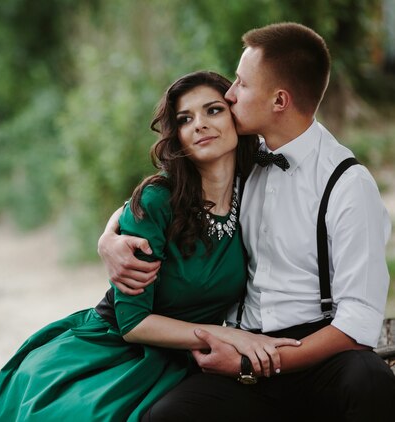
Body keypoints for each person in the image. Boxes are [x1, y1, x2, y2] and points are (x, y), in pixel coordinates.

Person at [98, 22, 395, 421]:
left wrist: (259, 362)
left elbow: (359, 320)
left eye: (241, 84)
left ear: (279, 101)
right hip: (240, 347)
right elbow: (168, 196)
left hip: (315, 354)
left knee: (370, 379)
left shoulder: (346, 184)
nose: (230, 93)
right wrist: (110, 235)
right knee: (168, 416)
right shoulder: (242, 160)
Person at [0, 71, 301, 422]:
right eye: (186, 119)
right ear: (177, 136)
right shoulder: (157, 201)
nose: (199, 124)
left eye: (213, 110)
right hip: (114, 351)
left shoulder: (257, 184)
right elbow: (133, 322)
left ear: (235, 117)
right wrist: (231, 337)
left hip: (184, 359)